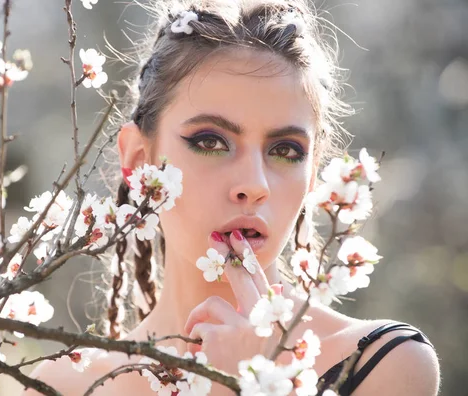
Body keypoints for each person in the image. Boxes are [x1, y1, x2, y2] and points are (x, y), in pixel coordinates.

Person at [25, 0, 440, 394]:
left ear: (312, 176)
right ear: (138, 159)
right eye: (210, 141)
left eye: (285, 151)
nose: (254, 184)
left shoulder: (383, 363)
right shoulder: (66, 384)